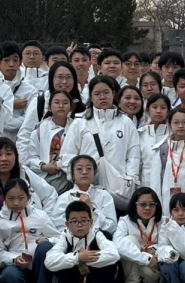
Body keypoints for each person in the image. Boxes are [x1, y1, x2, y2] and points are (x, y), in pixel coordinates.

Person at [0, 138, 57, 282]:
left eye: (9, 154)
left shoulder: (25, 174)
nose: (4, 159)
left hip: (29, 236)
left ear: (16, 156)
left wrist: (43, 218)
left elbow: (50, 195)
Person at [60, 75, 140, 211]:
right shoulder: (80, 122)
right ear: (91, 97)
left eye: (106, 92)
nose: (102, 97)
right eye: (97, 94)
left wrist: (130, 179)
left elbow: (133, 154)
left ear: (113, 94)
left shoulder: (126, 122)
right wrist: (77, 179)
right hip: (86, 190)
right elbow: (68, 155)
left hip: (118, 190)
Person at [0, 178, 59, 283]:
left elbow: (58, 237)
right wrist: (14, 259)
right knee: (9, 276)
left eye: (21, 198)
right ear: (3, 198)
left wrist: (47, 240)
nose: (16, 203)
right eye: (11, 198)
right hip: (17, 265)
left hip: (39, 264)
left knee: (45, 246)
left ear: (29, 197)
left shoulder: (40, 216)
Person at [44, 200, 120, 283]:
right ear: (67, 224)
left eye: (84, 220)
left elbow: (114, 254)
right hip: (75, 276)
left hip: (95, 273)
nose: (79, 225)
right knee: (59, 264)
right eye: (74, 221)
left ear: (91, 222)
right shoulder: (65, 237)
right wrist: (77, 257)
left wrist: (87, 258)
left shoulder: (97, 234)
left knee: (112, 263)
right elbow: (49, 261)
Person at [113, 188, 167, 283]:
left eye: (151, 204)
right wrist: (145, 257)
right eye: (142, 204)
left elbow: (168, 244)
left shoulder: (163, 221)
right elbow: (118, 244)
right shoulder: (125, 221)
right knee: (129, 241)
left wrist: (155, 249)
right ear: (134, 205)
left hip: (153, 263)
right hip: (137, 261)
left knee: (156, 261)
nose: (147, 208)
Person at [51, 155, 117, 240]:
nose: (85, 172)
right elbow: (58, 227)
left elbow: (111, 228)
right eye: (79, 169)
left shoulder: (104, 195)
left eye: (89, 168)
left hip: (99, 241)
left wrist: (92, 209)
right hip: (71, 242)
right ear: (72, 173)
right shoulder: (64, 198)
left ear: (94, 172)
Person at [149, 108, 185, 210]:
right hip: (167, 200)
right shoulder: (162, 148)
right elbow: (155, 181)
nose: (180, 126)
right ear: (169, 126)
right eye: (176, 122)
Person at [25, 90, 75, 194]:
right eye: (56, 102)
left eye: (65, 103)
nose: (61, 106)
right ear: (49, 107)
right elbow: (31, 158)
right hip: (44, 179)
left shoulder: (78, 128)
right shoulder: (39, 131)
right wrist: (43, 166)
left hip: (71, 179)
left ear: (71, 108)